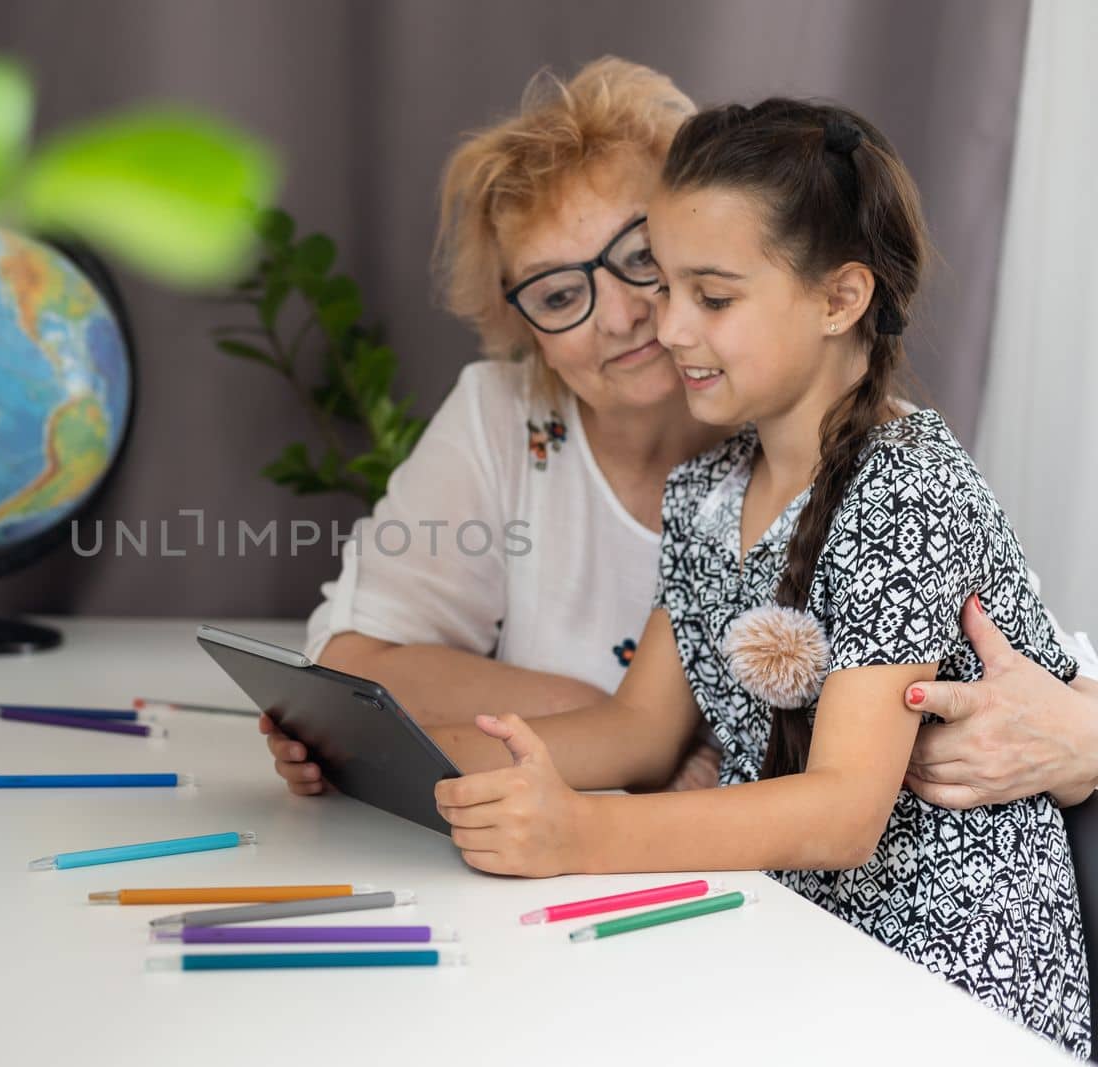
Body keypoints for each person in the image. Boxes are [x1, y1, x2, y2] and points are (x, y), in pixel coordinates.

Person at [421, 98, 1085, 1053]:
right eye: (666, 283)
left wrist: (579, 839)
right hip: (786, 943)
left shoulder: (909, 489)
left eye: (713, 297)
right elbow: (639, 731)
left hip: (941, 984)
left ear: (839, 298)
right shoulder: (706, 488)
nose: (669, 327)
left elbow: (842, 813)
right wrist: (398, 752)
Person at [266, 57, 1098, 808]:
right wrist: (381, 753)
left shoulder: (862, 457)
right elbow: (355, 666)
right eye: (559, 296)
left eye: (644, 261)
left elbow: (1023, 657)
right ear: (524, 327)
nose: (633, 318)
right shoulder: (615, 456)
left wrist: (1082, 734)